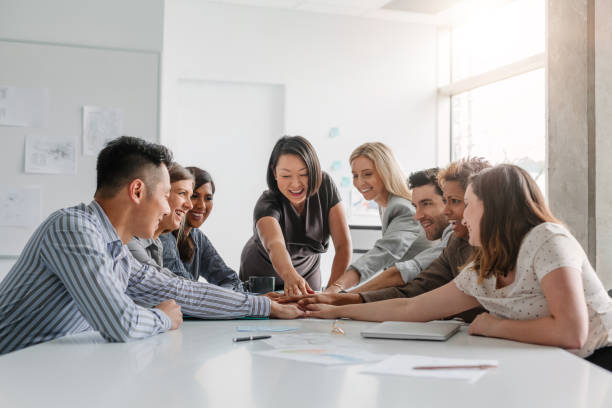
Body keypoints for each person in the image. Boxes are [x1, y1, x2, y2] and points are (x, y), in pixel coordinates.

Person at [0, 136, 302, 355]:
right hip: (13, 373)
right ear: (137, 191)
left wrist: (264, 306)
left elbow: (183, 291)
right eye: (166, 194)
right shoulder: (73, 229)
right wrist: (163, 317)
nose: (169, 208)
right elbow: (119, 322)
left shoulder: (114, 247)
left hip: (41, 370)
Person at [303, 164, 612, 369]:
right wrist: (336, 311)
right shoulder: (485, 265)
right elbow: (410, 309)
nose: (463, 219)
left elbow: (572, 332)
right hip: (556, 364)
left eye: (469, 206)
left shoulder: (547, 239)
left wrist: (495, 326)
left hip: (598, 363)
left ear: (493, 210)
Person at [283, 157, 489, 324]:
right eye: (355, 175)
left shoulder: (402, 208)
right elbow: (411, 293)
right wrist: (335, 302)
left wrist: (337, 297)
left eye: (455, 201)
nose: (417, 216)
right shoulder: (456, 243)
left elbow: (393, 265)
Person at [239, 135, 352, 296]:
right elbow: (275, 244)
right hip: (261, 272)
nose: (295, 184)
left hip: (308, 270)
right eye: (286, 176)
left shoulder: (325, 185)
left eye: (304, 174)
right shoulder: (266, 204)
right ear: (274, 173)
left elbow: (343, 246)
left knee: (312, 313)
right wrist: (290, 275)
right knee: (266, 315)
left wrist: (333, 291)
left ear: (314, 170)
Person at [324, 143, 432, 293]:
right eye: (355, 175)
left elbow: (382, 254)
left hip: (422, 290)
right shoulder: (385, 204)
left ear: (386, 172)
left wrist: (337, 287)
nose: (360, 182)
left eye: (367, 174)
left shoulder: (401, 207)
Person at [159, 167, 243, 291]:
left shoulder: (197, 237)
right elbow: (189, 290)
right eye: (194, 196)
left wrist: (234, 298)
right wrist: (232, 299)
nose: (201, 205)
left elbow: (230, 279)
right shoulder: (163, 235)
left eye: (208, 198)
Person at [127, 162, 194, 269]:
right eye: (182, 193)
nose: (190, 205)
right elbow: (163, 281)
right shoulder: (128, 241)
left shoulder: (157, 243)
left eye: (190, 196)